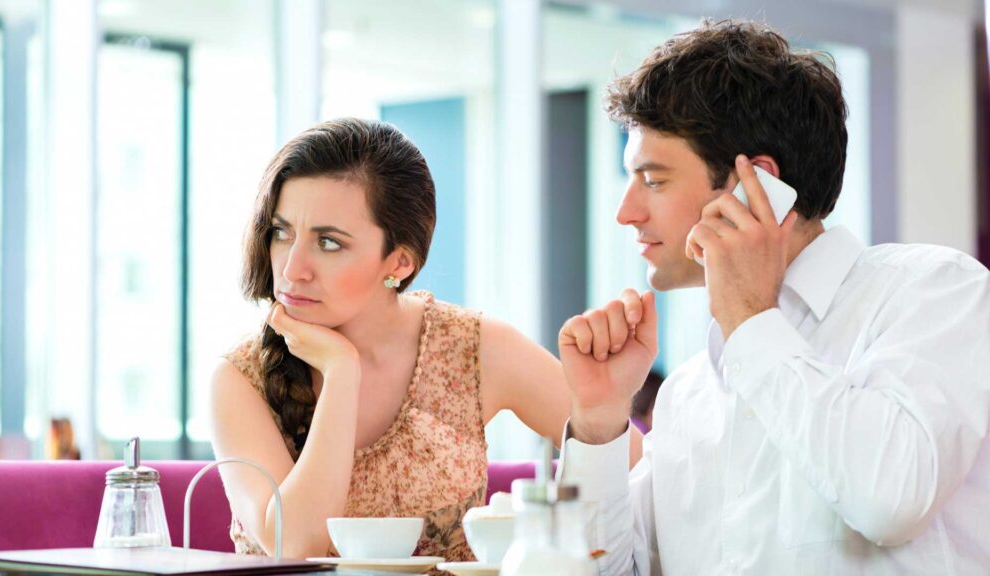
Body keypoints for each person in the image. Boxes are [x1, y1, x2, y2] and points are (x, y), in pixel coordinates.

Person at [557, 19, 990, 575]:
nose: (625, 212)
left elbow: (891, 501)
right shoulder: (689, 392)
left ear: (755, 185)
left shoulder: (934, 292)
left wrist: (749, 320)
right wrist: (598, 422)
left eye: (654, 180)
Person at [208, 118, 594, 561]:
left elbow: (633, 468)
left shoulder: (471, 347)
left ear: (399, 262)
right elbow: (295, 546)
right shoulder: (240, 378)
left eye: (328, 243)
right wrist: (341, 372)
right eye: (282, 232)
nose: (293, 269)